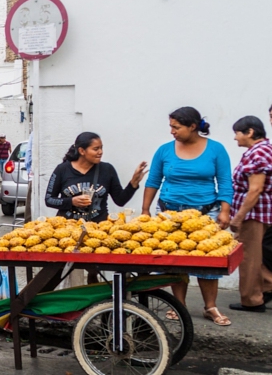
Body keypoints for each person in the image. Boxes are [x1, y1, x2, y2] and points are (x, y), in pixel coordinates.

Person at [142, 107, 234, 326]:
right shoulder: (164, 150)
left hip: (205, 213)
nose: (172, 131)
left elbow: (224, 182)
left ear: (193, 126)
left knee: (207, 261)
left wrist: (225, 209)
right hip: (169, 212)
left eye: (176, 127)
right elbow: (153, 180)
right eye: (171, 126)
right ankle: (179, 305)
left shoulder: (216, 150)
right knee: (176, 259)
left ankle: (210, 306)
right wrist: (145, 210)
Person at [45, 132, 147, 222]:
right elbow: (49, 200)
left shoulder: (107, 169)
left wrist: (133, 183)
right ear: (82, 151)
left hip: (98, 229)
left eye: (101, 148)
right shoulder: (62, 170)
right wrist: (71, 201)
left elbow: (120, 201)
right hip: (68, 229)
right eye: (96, 149)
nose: (100, 152)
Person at [228, 116, 272, 313]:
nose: (235, 138)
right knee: (254, 256)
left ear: (250, 132)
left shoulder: (259, 152)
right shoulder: (257, 151)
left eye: (237, 133)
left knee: (248, 257)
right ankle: (265, 288)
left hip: (253, 213)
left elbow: (255, 189)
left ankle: (252, 300)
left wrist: (238, 217)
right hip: (255, 212)